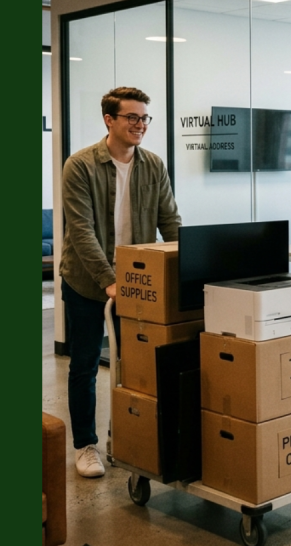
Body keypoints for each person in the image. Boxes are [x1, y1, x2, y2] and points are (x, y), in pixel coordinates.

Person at [61, 87, 182, 478]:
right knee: (85, 365)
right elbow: (81, 232)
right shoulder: (80, 166)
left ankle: (126, 435)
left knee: (133, 365)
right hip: (86, 282)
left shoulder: (153, 165)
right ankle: (85, 445)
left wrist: (191, 263)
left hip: (138, 285)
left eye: (145, 118)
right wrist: (110, 281)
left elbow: (171, 221)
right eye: (132, 117)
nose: (140, 125)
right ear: (109, 120)